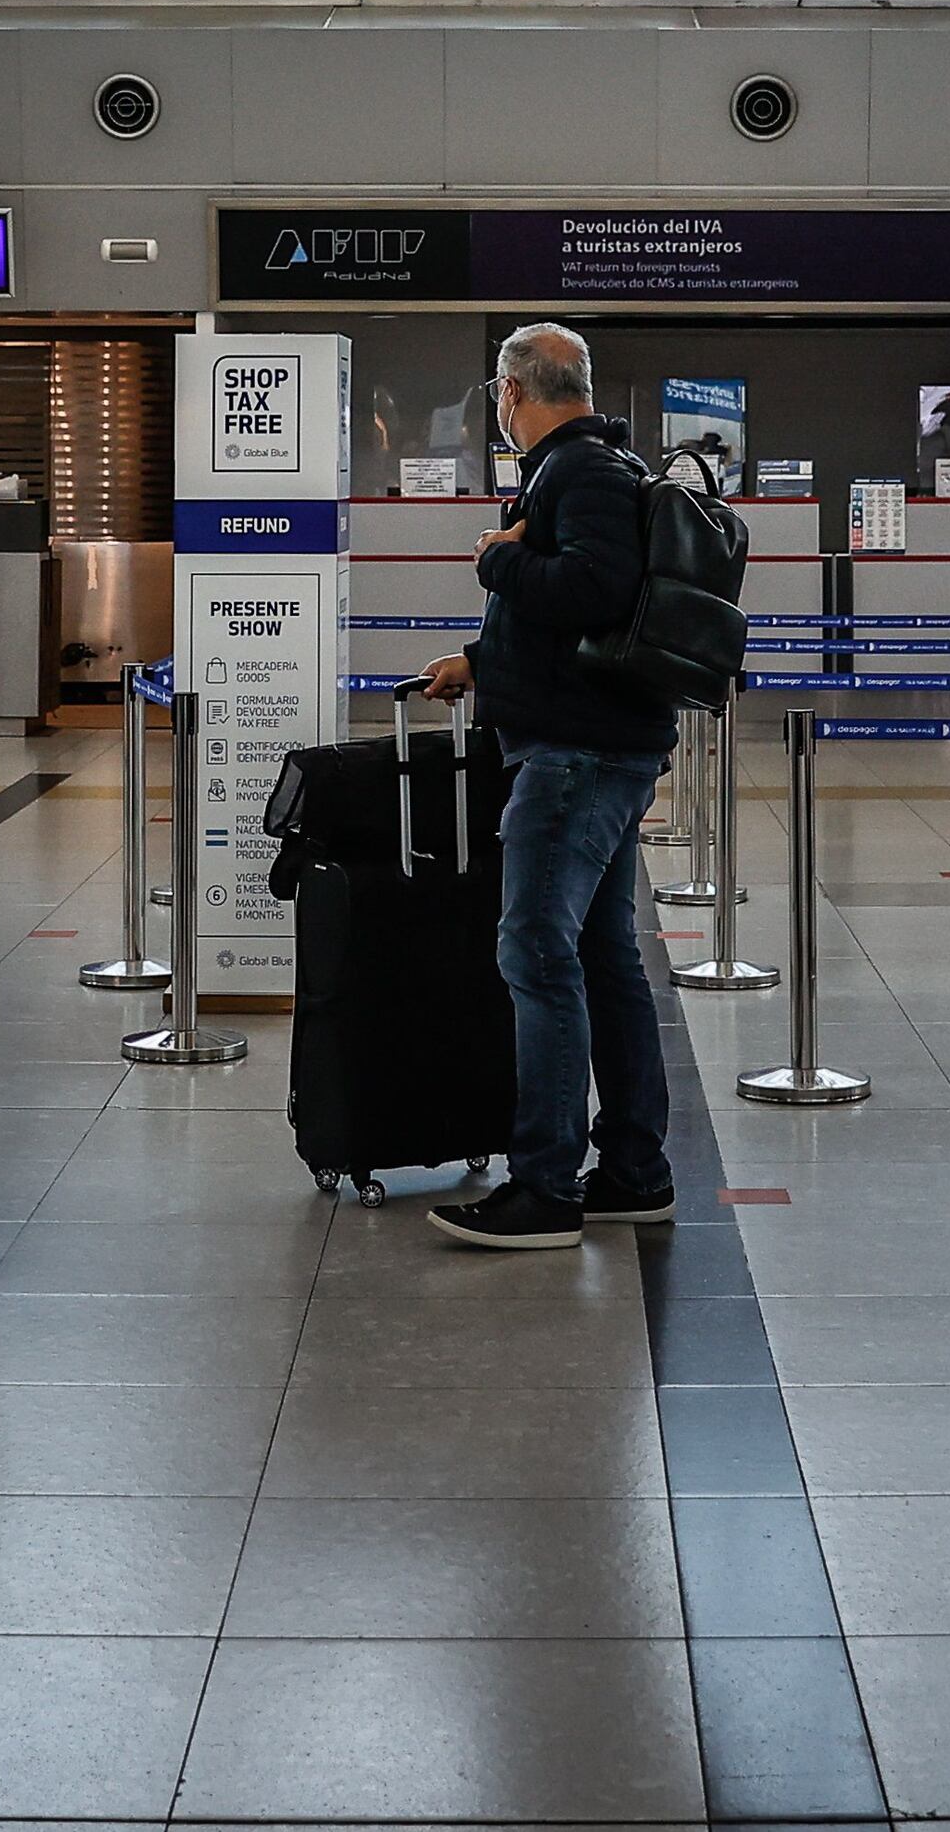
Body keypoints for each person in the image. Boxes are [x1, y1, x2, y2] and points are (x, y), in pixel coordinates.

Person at [413, 321, 676, 1252]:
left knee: (535, 952)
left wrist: (496, 558)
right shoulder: (592, 468)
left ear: (510, 393)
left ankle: (546, 1187)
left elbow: (593, 591)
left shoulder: (582, 472)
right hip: (590, 742)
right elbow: (577, 632)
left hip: (574, 759)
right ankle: (635, 1172)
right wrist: (483, 662)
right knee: (602, 958)